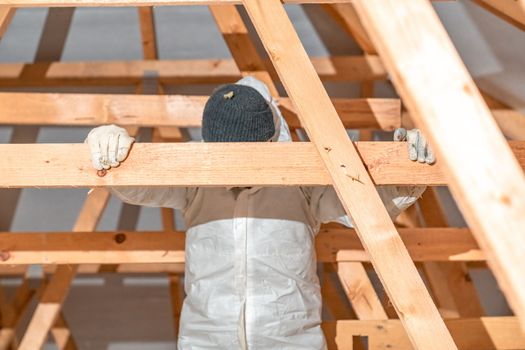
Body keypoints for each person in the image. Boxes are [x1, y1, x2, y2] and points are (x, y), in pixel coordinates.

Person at [86, 76, 435, 350]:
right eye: (227, 159)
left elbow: (365, 205)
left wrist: (407, 171)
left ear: (269, 142)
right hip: (205, 342)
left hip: (292, 343)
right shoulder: (196, 179)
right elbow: (136, 186)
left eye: (248, 157)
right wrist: (112, 147)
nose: (238, 170)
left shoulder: (299, 178)